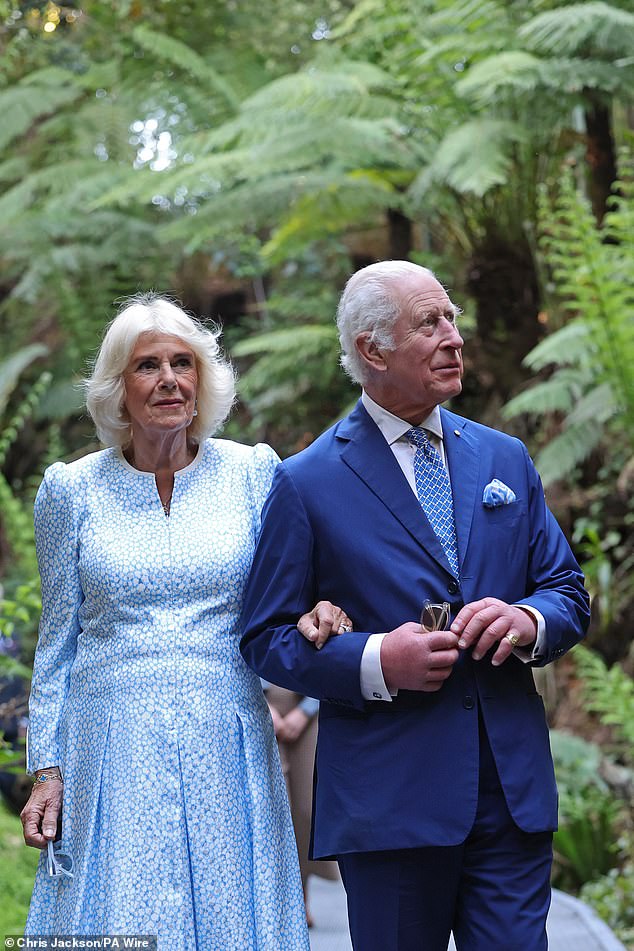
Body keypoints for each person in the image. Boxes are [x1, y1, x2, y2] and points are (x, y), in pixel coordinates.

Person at [240, 261, 590, 951]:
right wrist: (376, 660)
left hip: (509, 794)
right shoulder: (305, 481)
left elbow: (566, 591)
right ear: (372, 349)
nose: (454, 336)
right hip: (389, 803)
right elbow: (266, 634)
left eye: (452, 318)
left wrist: (528, 620)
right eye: (429, 323)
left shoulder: (504, 458)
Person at [20, 294, 351, 950]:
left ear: (202, 379)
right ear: (120, 387)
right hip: (108, 743)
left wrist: (318, 610)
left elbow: (290, 593)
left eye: (183, 362)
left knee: (232, 915)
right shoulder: (70, 490)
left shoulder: (254, 473)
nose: (169, 378)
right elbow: (56, 640)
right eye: (148, 365)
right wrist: (48, 770)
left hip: (225, 729)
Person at [262, 681, 339, 927]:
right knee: (271, 812)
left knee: (306, 809)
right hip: (259, 701)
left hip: (307, 700)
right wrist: (263, 706)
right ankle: (276, 900)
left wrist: (306, 710)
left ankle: (300, 895)